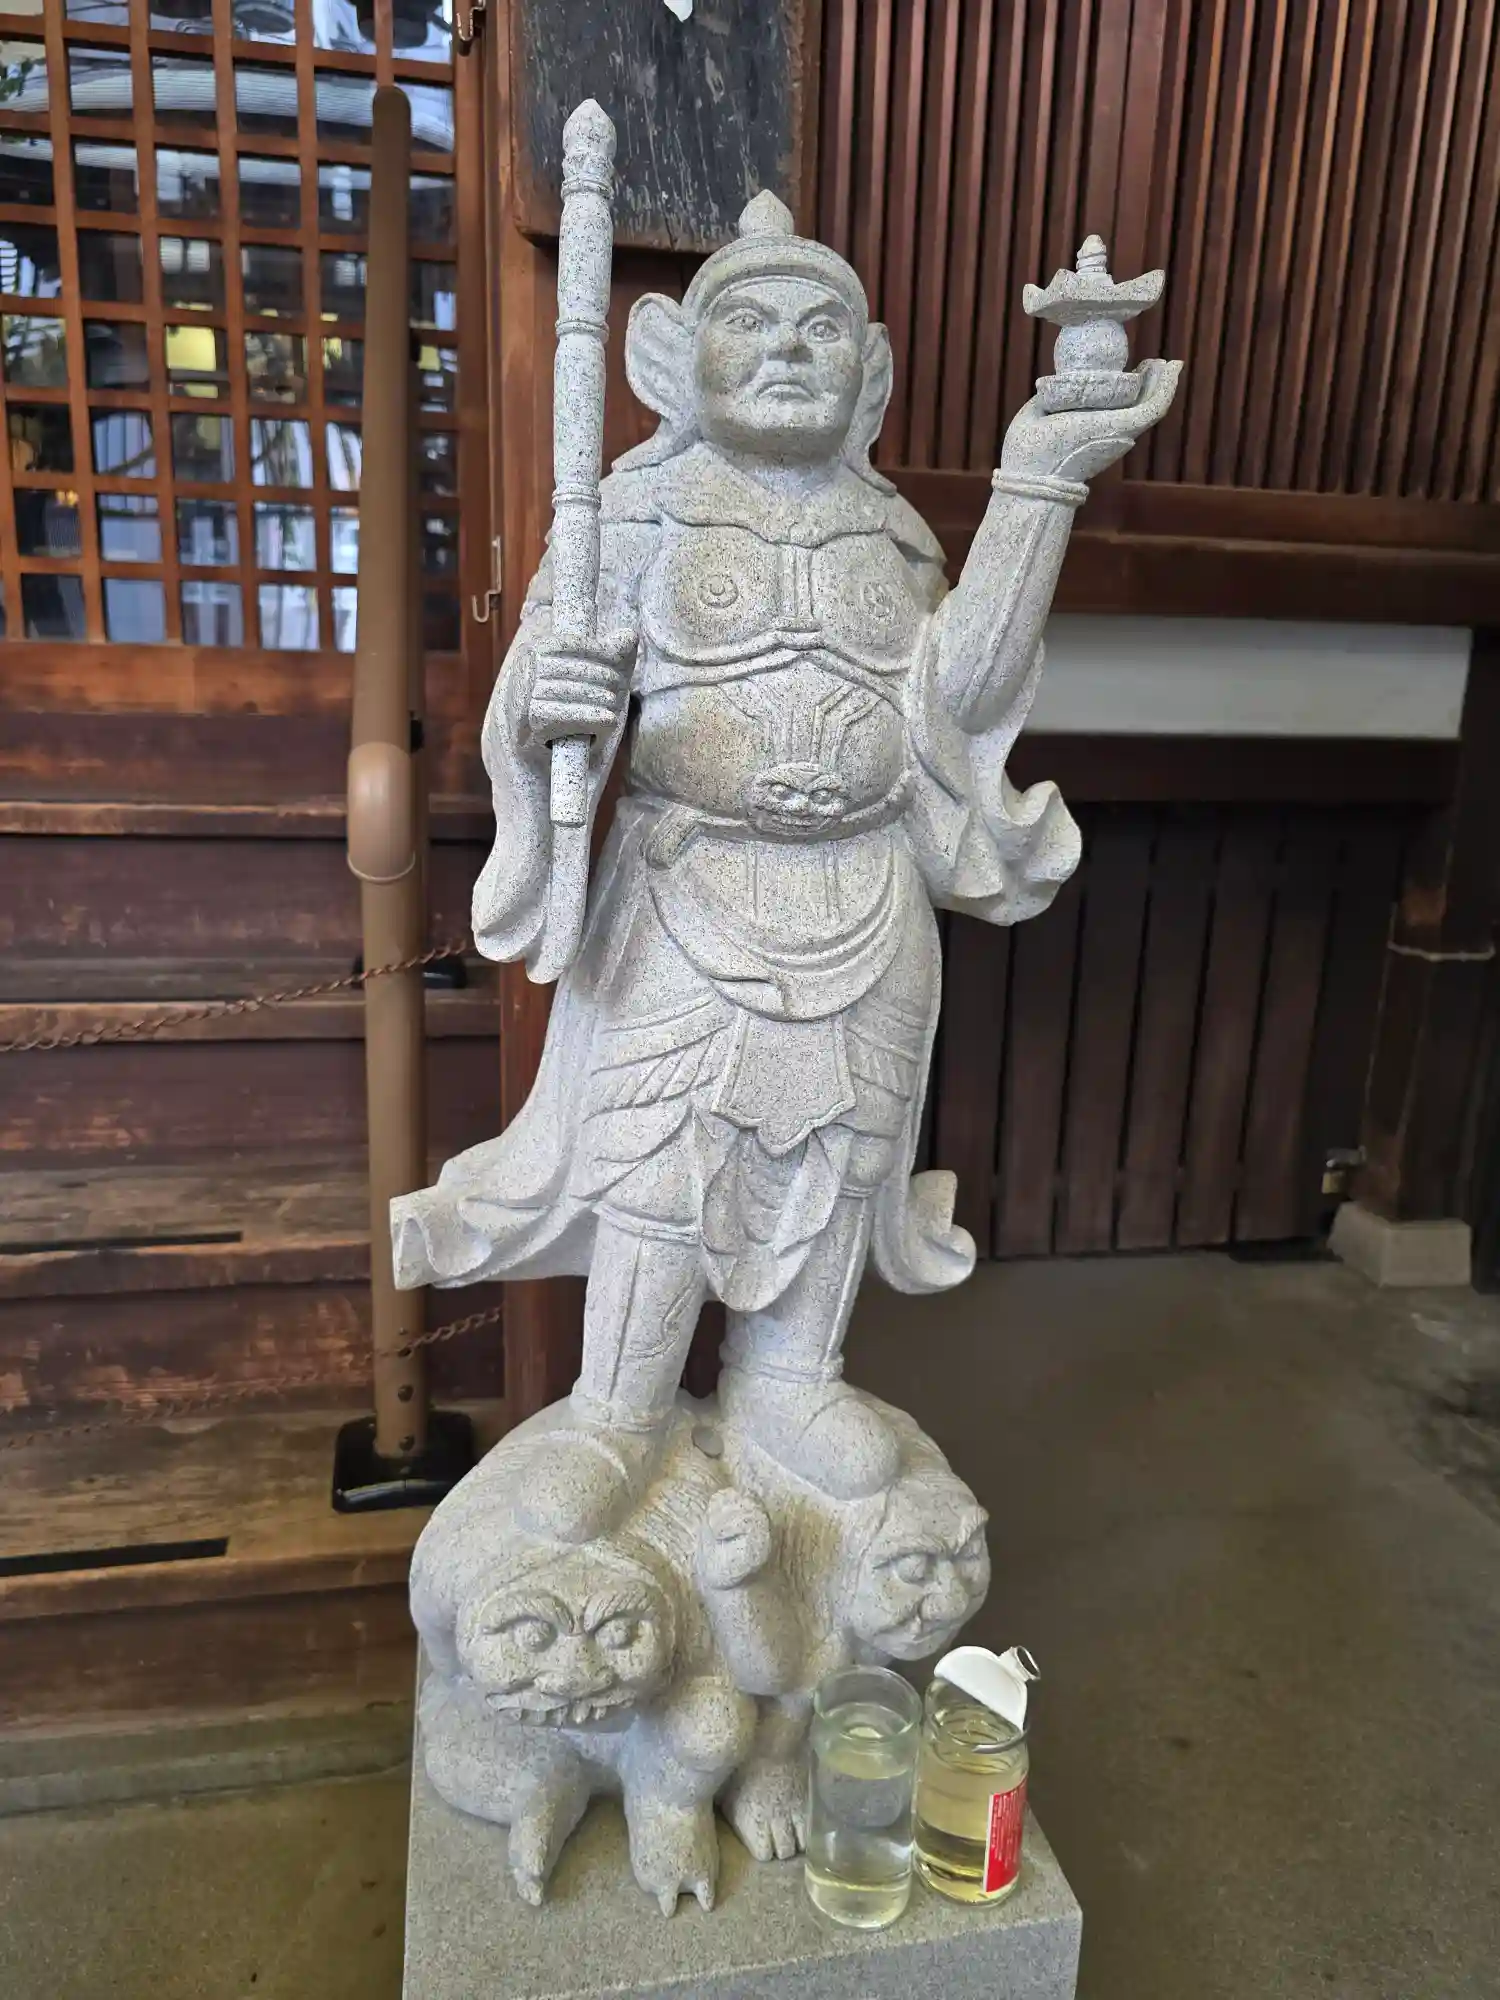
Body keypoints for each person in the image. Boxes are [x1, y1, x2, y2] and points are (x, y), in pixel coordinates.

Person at [393, 192, 1179, 1533]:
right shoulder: (634, 511)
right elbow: (538, 700)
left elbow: (960, 701)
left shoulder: (895, 534)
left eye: (822, 329)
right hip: (687, 888)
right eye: (749, 323)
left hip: (869, 893)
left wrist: (1038, 481)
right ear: (671, 363)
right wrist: (550, 710)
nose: (787, 349)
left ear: (870, 371)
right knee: (662, 1155)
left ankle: (787, 1381)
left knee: (846, 1149)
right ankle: (620, 1410)